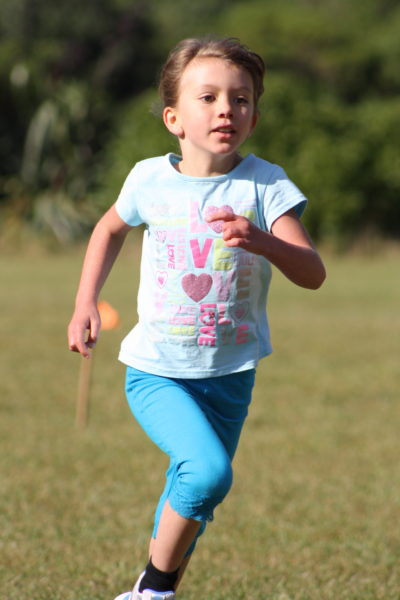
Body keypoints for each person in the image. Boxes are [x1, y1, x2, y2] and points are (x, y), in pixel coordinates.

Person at [68, 36, 326, 600]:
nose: (224, 110)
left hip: (231, 375)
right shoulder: (148, 179)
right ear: (173, 118)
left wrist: (263, 241)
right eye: (207, 97)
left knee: (196, 497)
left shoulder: (266, 185)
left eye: (239, 99)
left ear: (254, 116)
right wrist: (86, 300)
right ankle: (153, 591)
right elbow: (109, 228)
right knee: (207, 474)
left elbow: (312, 271)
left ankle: (150, 590)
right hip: (157, 370)